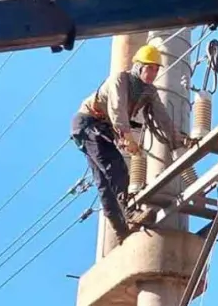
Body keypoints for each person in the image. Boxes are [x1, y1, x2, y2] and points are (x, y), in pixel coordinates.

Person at [71, 43, 184, 241]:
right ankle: (130, 214)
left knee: (105, 183)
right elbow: (117, 109)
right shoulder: (120, 80)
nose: (152, 73)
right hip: (89, 122)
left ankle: (121, 231)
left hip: (100, 127)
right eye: (149, 68)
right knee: (116, 167)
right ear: (139, 66)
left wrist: (178, 142)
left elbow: (162, 118)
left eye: (156, 70)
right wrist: (127, 136)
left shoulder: (149, 91)